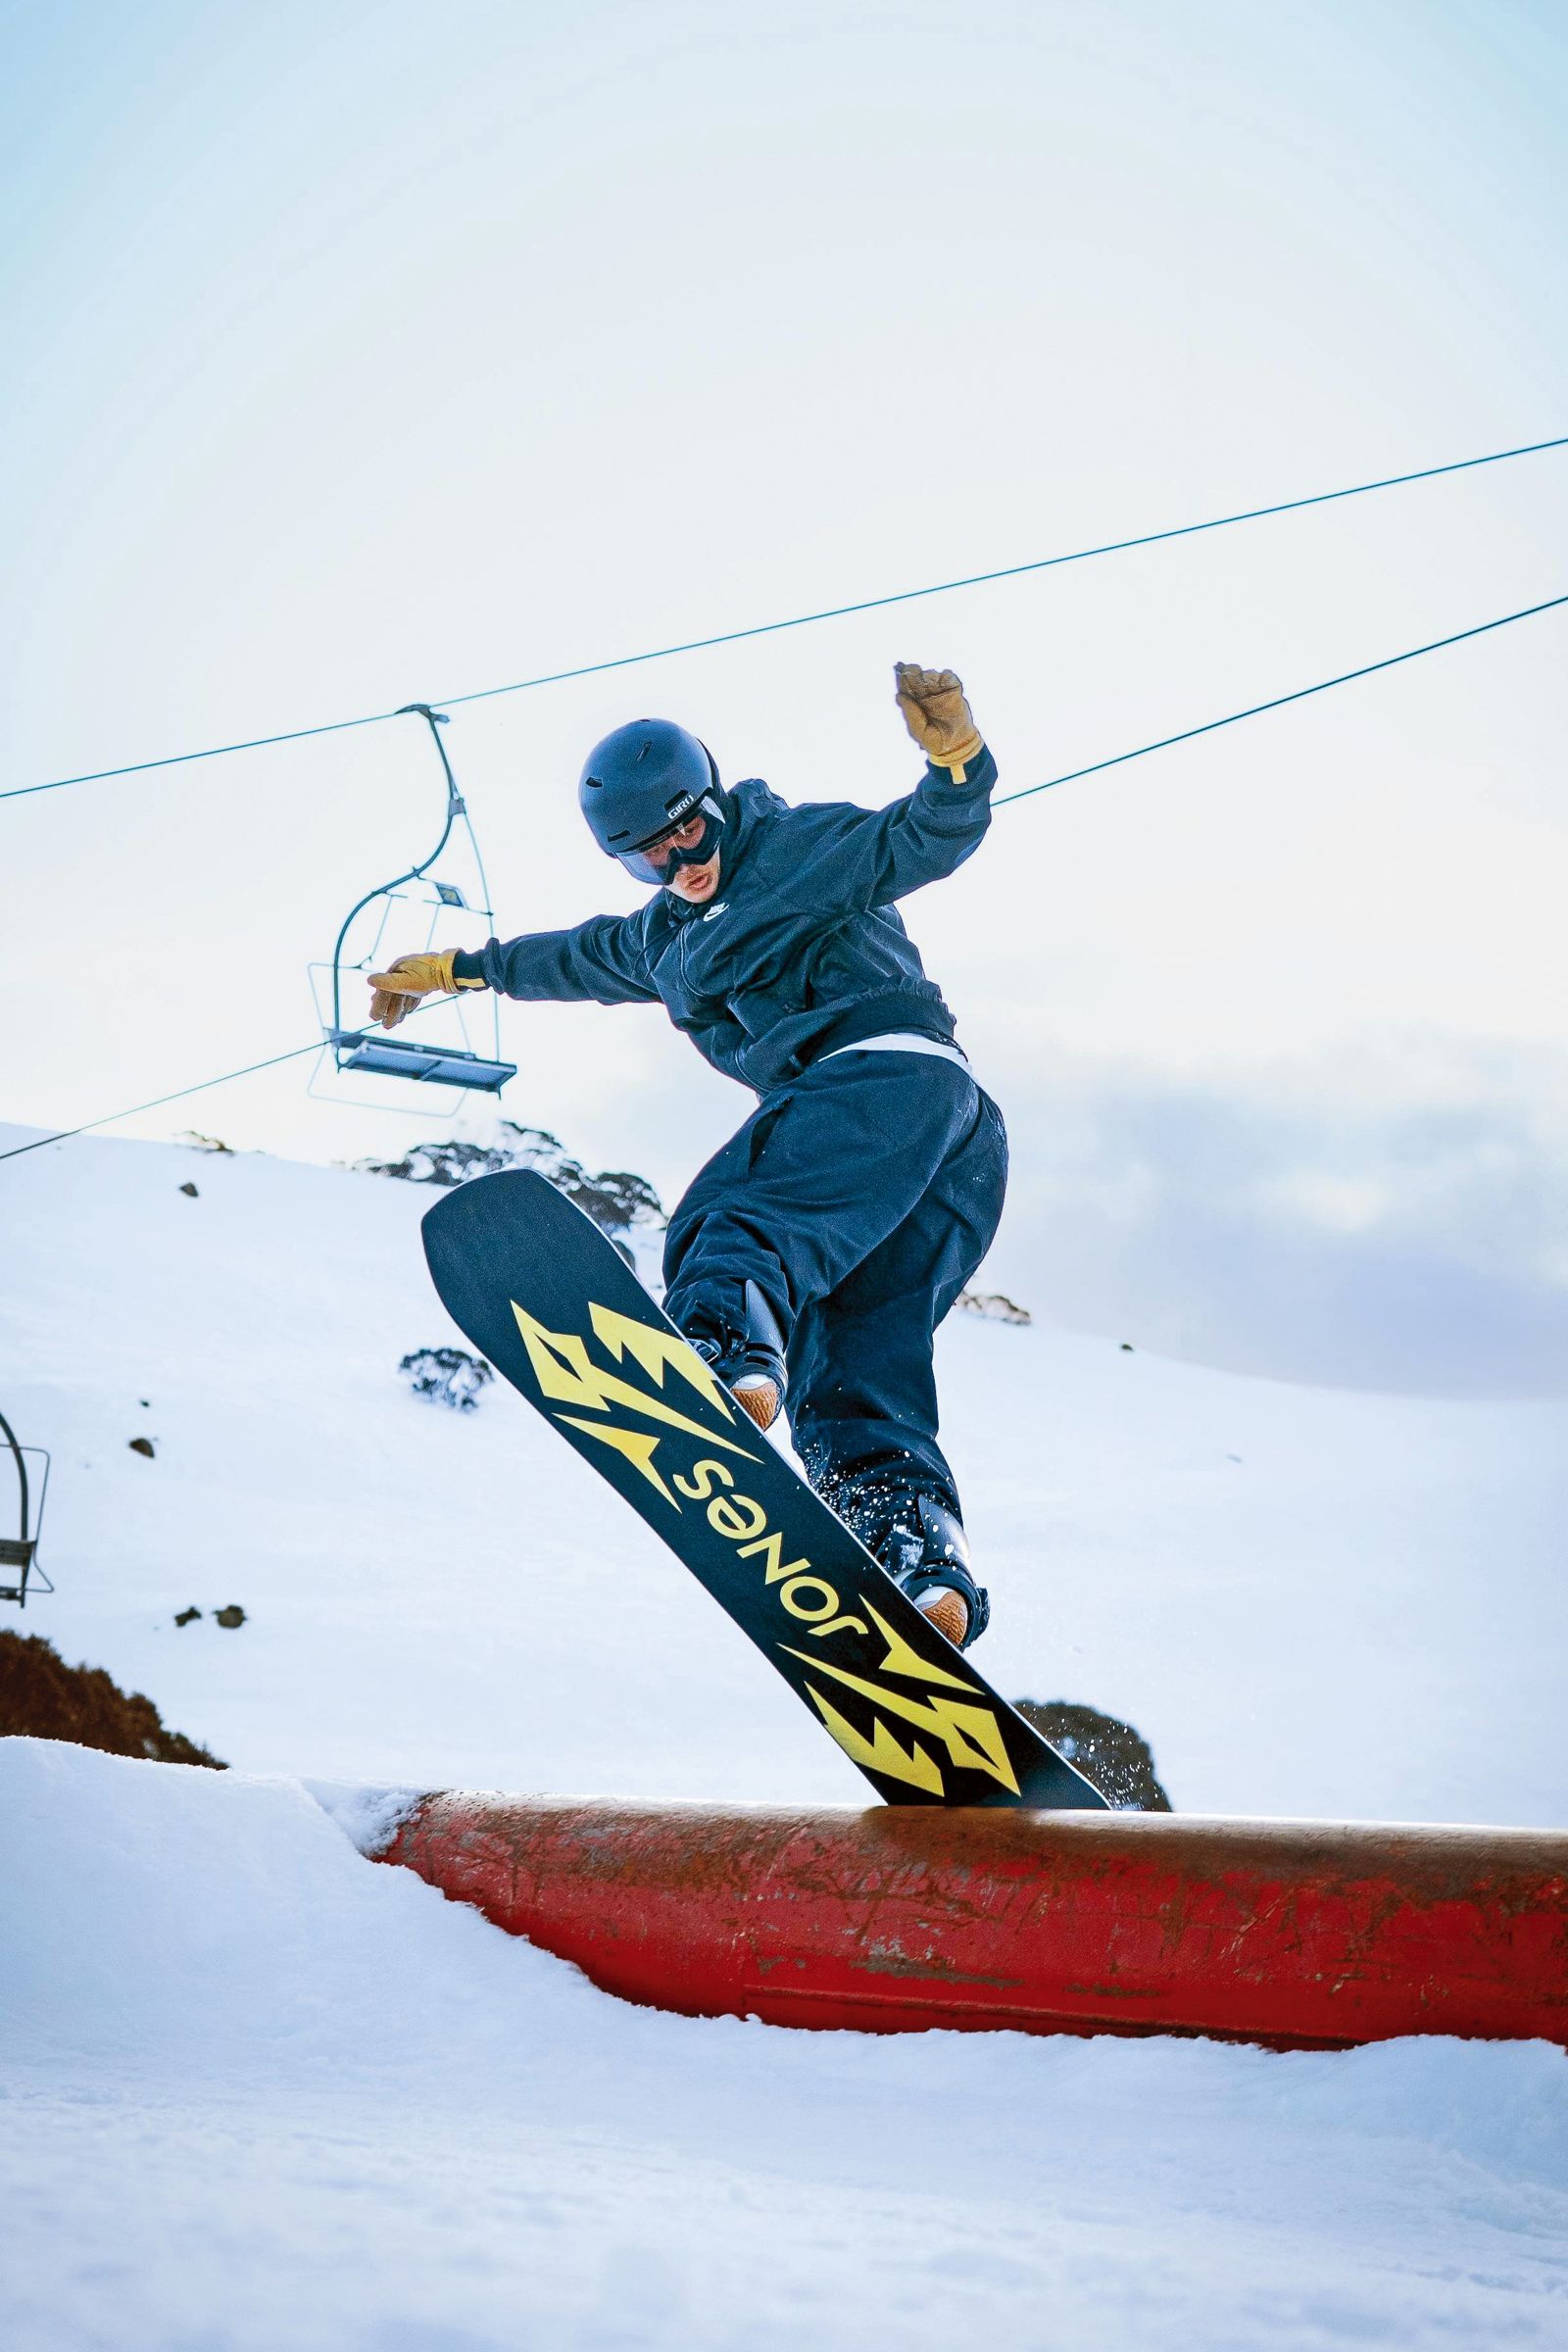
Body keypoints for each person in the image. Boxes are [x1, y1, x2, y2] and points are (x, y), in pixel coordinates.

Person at [368, 663, 1006, 1648]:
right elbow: (572, 958)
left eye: (689, 834)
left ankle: (720, 1350)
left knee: (731, 1219)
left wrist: (955, 761)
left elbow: (918, 839)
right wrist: (457, 971)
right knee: (854, 1367)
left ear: (715, 804)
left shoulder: (798, 846)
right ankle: (915, 1558)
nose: (679, 865)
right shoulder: (664, 936)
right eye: (645, 860)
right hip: (944, 1152)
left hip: (880, 1085)